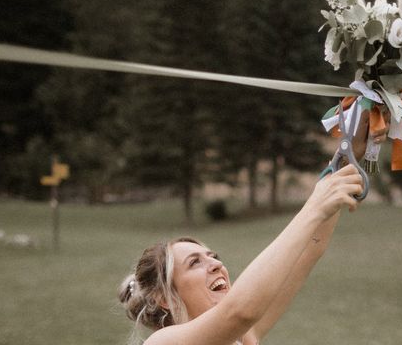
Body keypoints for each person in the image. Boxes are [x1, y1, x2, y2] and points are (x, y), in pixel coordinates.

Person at [118, 107, 387, 345]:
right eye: (194, 263)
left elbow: (309, 250)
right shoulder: (163, 343)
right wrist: (314, 206)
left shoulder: (243, 337)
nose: (215, 264)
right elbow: (239, 311)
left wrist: (348, 152)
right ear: (163, 298)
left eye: (213, 257)